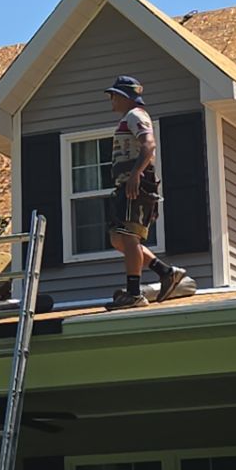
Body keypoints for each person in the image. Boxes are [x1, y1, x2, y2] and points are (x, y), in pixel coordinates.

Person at [101, 76, 191, 310]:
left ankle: (134, 294)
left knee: (129, 236)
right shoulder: (129, 118)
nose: (111, 100)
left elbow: (149, 145)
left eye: (114, 95)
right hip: (126, 184)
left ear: (124, 96)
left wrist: (135, 175)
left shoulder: (136, 115)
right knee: (118, 238)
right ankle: (166, 272)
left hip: (137, 185)